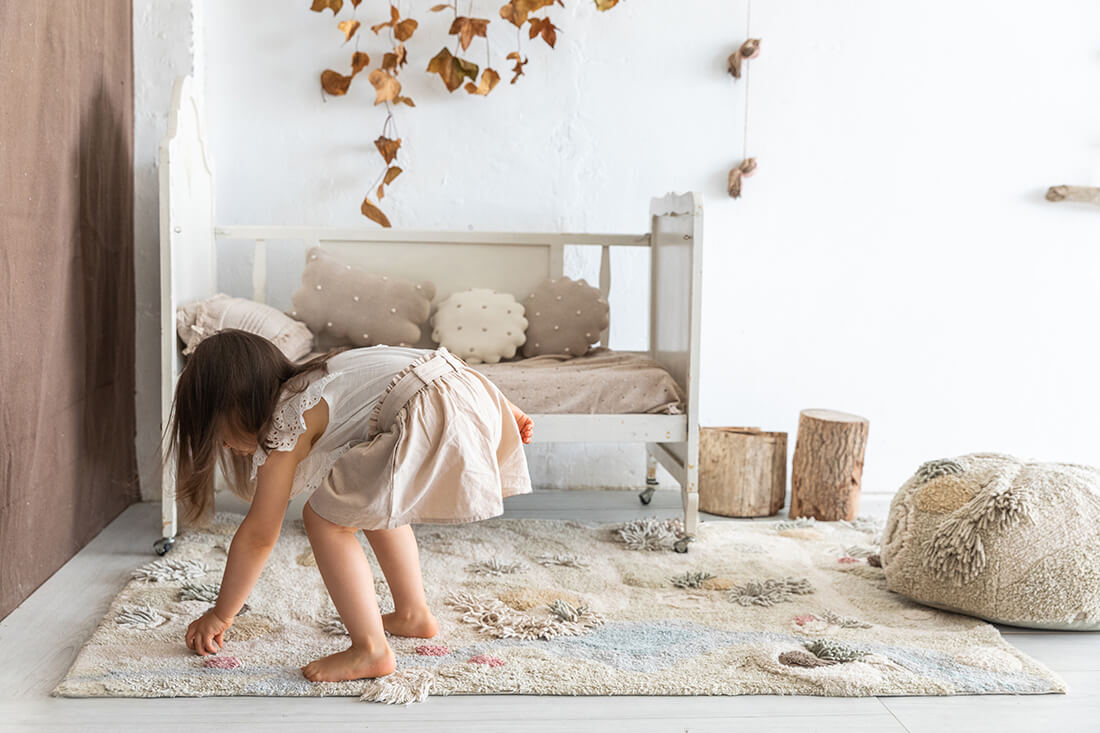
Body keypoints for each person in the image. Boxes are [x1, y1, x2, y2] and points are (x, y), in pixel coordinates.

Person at [166, 329, 533, 682]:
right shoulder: (326, 372)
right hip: (471, 390)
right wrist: (504, 410)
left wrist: (221, 613)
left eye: (217, 432)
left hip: (434, 406)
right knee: (367, 499)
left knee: (325, 519)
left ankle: (371, 649)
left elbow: (260, 534)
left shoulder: (288, 418)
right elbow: (425, 363)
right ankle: (412, 613)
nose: (224, 446)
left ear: (236, 404)